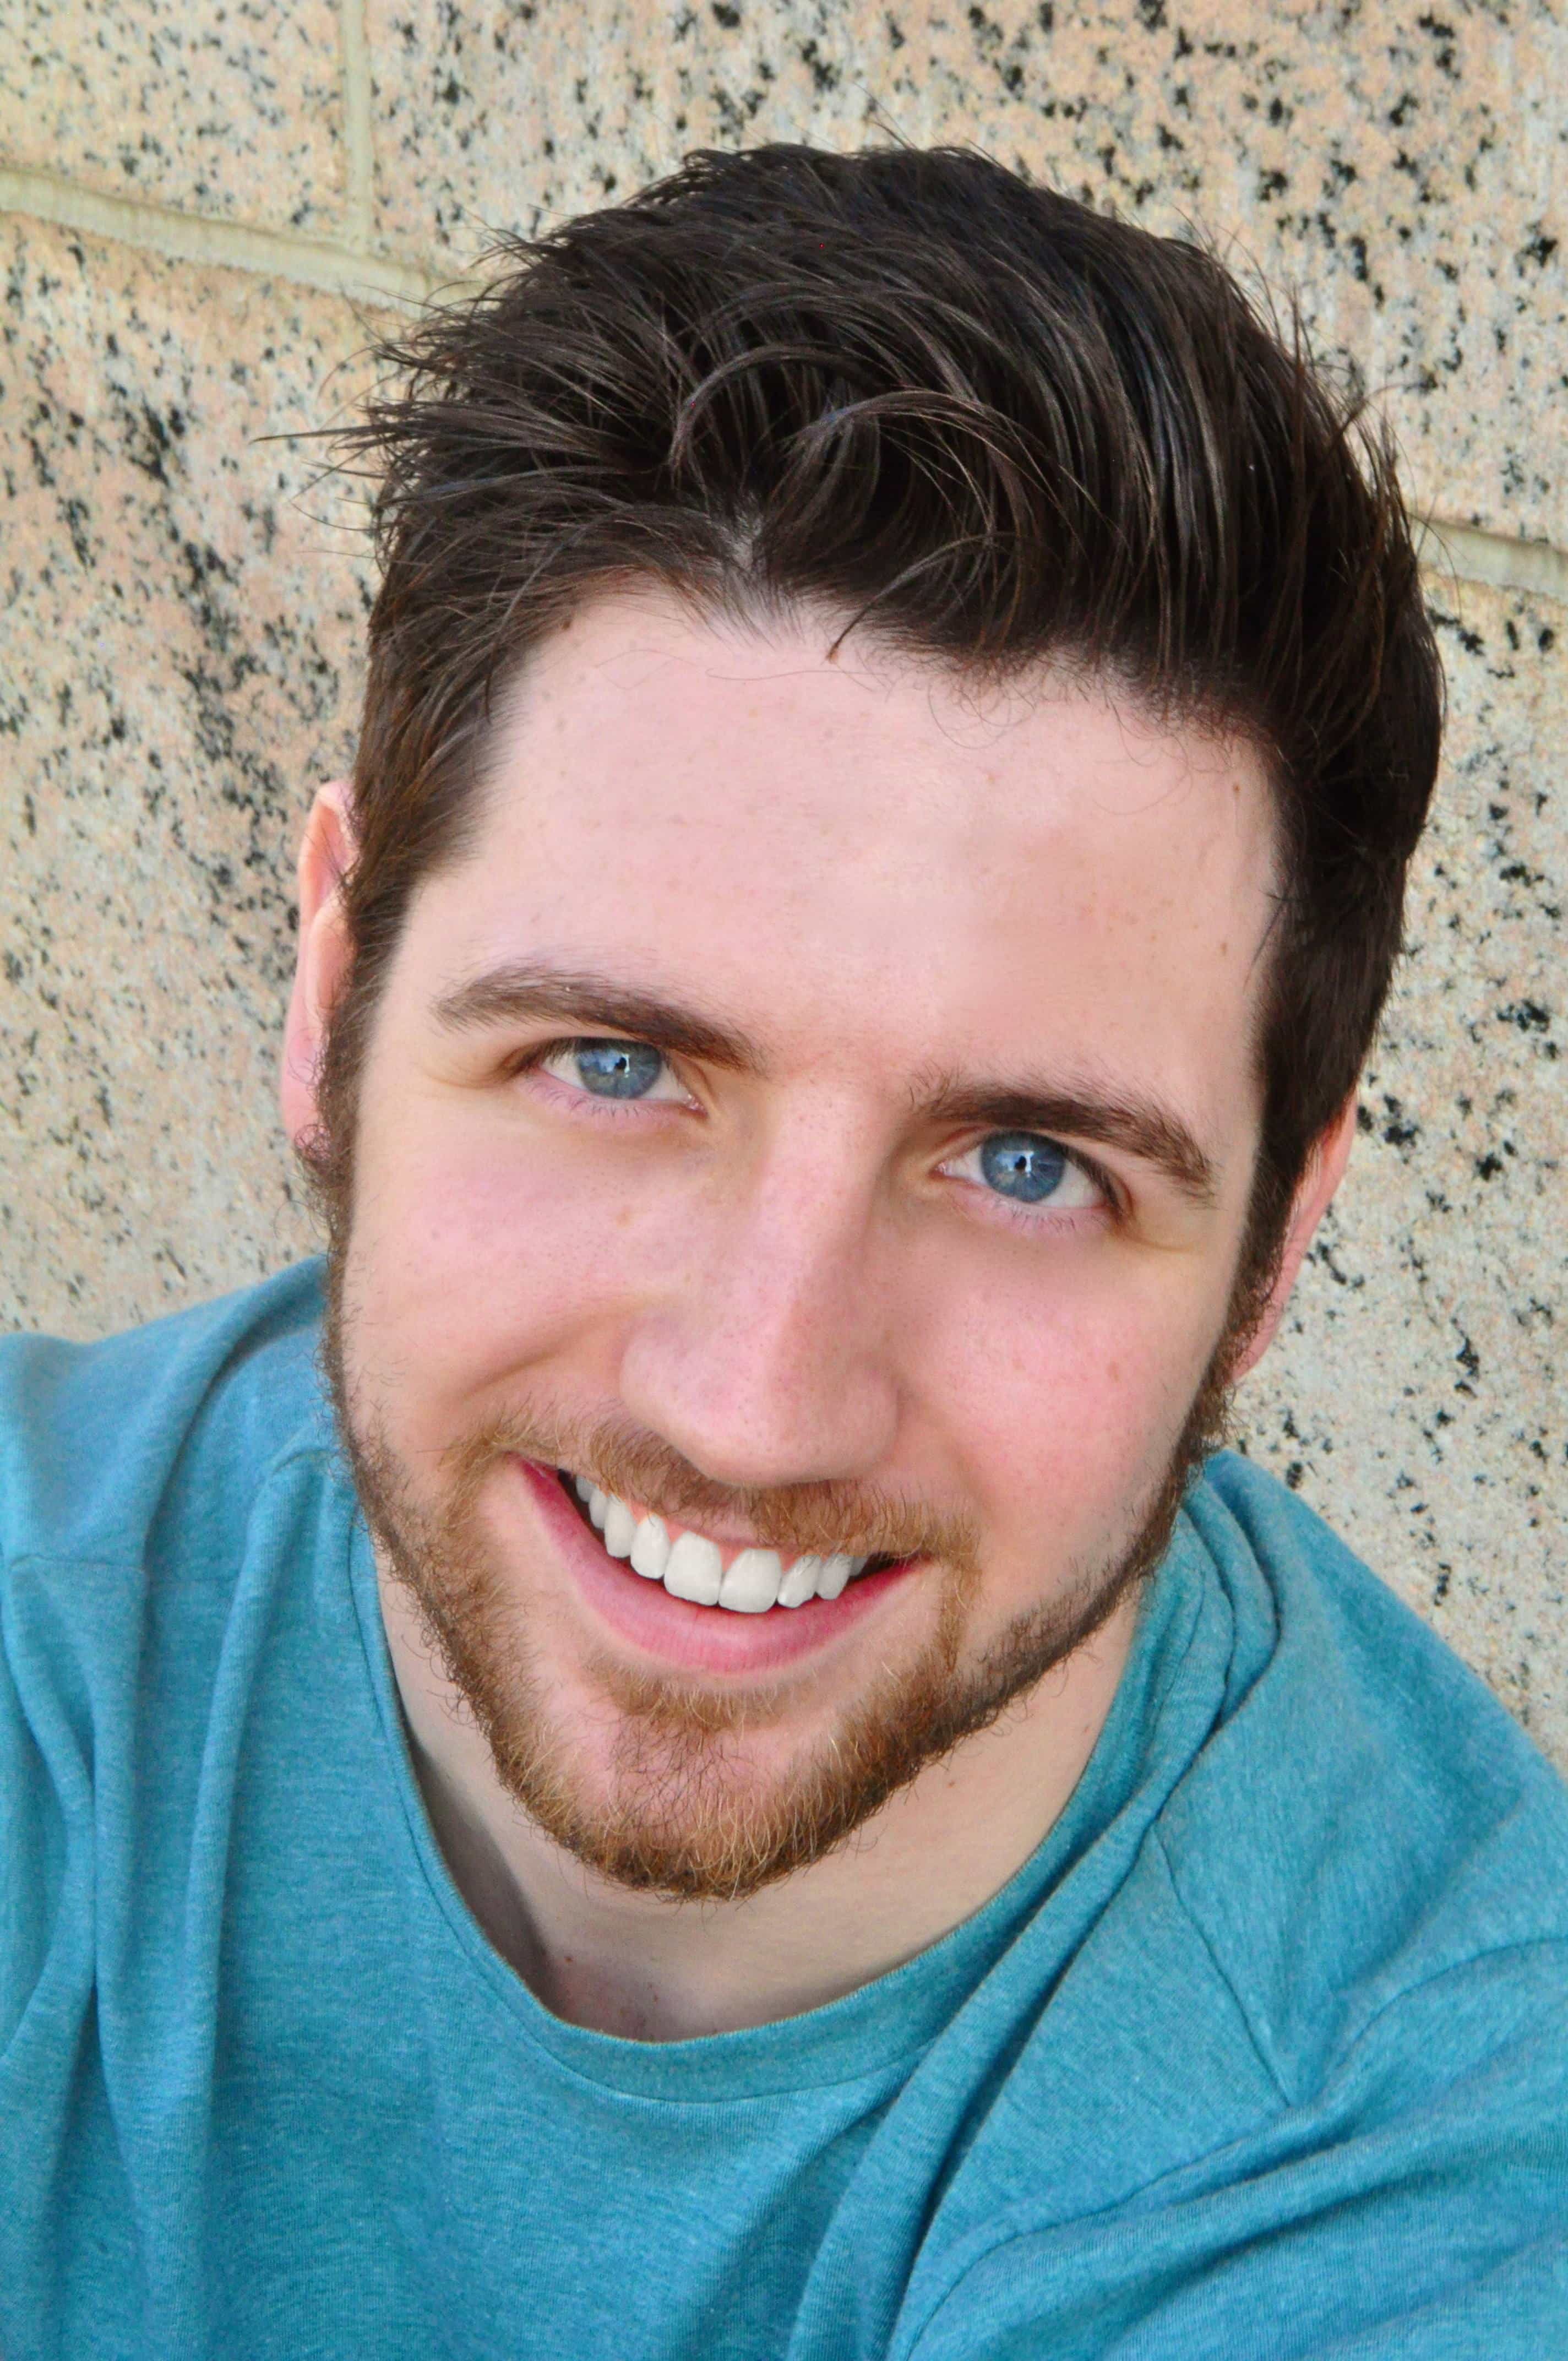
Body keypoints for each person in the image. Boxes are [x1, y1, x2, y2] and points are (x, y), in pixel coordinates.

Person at [2, 141, 1564, 2360]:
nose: (751, 1410)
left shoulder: (1427, 2174)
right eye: (615, 1063)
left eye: (1026, 1165)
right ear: (331, 996)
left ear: (1275, 1243)